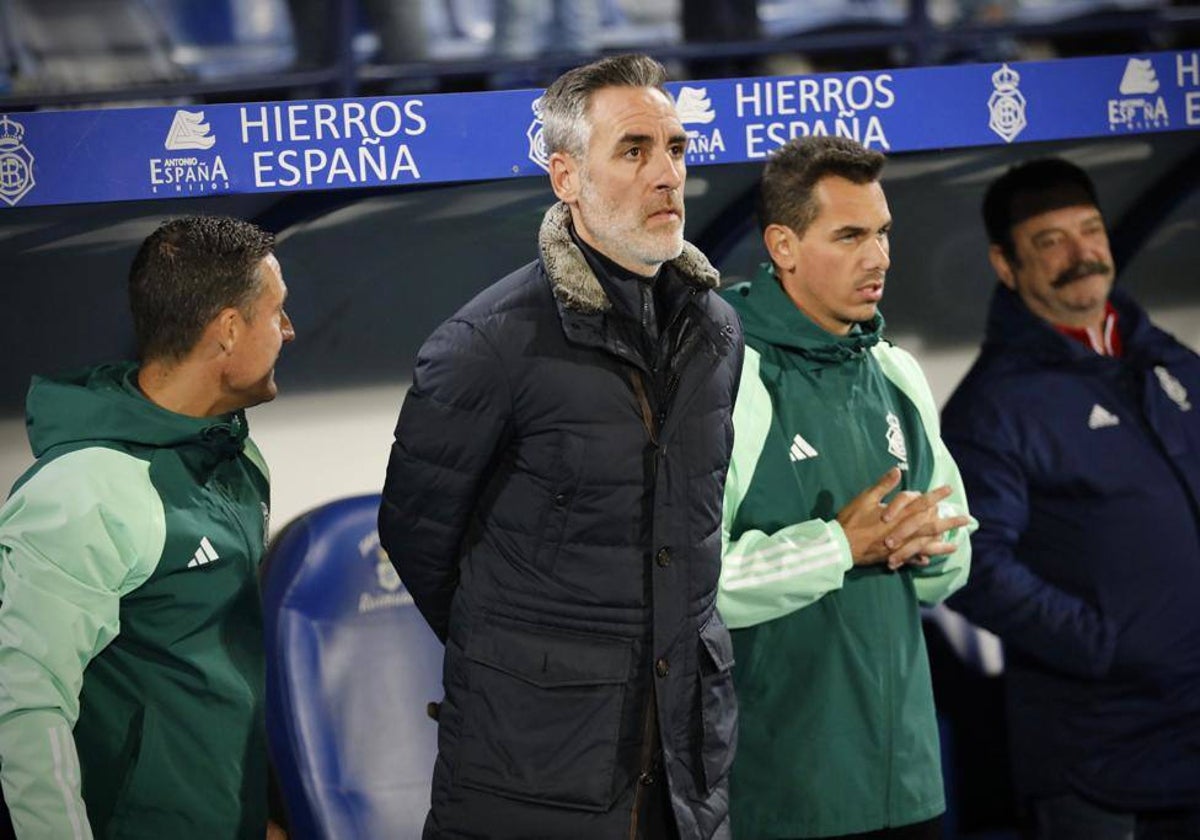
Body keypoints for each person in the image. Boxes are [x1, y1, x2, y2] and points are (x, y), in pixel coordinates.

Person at [379, 53, 743, 839]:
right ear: (565, 177)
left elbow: (693, 533)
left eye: (676, 149)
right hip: (530, 777)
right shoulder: (485, 345)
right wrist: (537, 661)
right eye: (634, 151)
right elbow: (418, 537)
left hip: (683, 774)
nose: (666, 175)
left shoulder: (717, 329)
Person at [0, 216, 295, 839]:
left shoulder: (236, 455)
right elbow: (21, 706)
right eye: (278, 313)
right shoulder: (82, 492)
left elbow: (215, 667)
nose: (289, 331)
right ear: (229, 329)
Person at [718, 136, 975, 839]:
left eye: (884, 233)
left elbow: (950, 567)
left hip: (911, 781)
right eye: (851, 235)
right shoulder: (733, 378)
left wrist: (928, 544)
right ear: (784, 245)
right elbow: (694, 586)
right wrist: (838, 546)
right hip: (790, 794)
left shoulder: (896, 371)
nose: (881, 257)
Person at [942, 157, 1200, 837]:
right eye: (1051, 241)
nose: (1082, 255)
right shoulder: (993, 406)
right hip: (1098, 760)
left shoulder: (1170, 364)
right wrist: (1104, 644)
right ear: (1007, 264)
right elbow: (973, 562)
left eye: (1090, 230)